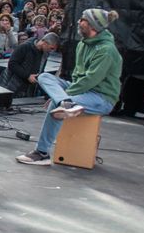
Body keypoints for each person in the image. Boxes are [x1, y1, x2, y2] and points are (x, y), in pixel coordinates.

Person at [17, 9, 123, 166]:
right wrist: (62, 96)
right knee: (44, 77)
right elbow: (78, 76)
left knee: (56, 104)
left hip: (101, 97)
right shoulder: (82, 44)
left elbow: (90, 80)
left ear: (93, 25)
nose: (79, 22)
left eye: (83, 20)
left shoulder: (106, 50)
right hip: (79, 90)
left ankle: (42, 152)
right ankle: (65, 102)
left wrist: (60, 97)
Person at [0, 32, 60, 98]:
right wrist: (27, 76)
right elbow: (12, 64)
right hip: (13, 85)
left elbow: (41, 69)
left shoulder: (45, 53)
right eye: (51, 48)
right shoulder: (25, 47)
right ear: (44, 42)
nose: (51, 51)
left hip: (28, 89)